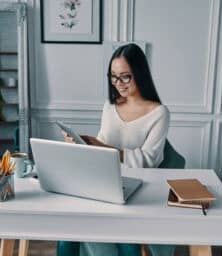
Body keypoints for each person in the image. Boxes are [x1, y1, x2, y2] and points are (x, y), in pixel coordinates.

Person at [57, 43, 171, 256]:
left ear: (140, 74)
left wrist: (101, 146)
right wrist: (82, 144)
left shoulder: (159, 113)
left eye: (125, 77)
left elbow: (148, 161)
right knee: (66, 235)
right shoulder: (109, 106)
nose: (118, 83)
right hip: (101, 183)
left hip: (135, 191)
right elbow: (101, 144)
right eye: (113, 76)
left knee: (128, 245)